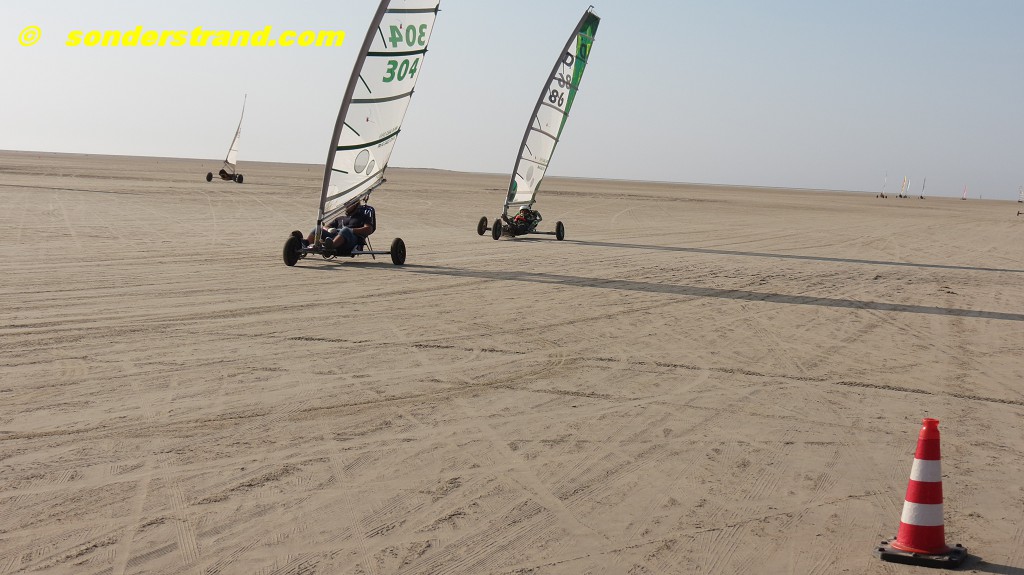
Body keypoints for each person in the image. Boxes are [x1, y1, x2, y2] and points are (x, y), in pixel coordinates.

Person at [305, 200, 376, 255]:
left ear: (355, 204)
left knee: (345, 230)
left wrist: (351, 230)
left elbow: (368, 229)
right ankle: (304, 244)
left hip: (351, 240)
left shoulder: (362, 217)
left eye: (348, 204)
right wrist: (329, 229)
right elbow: (325, 226)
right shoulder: (340, 218)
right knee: (318, 229)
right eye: (345, 203)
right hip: (336, 237)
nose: (346, 206)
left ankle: (330, 247)